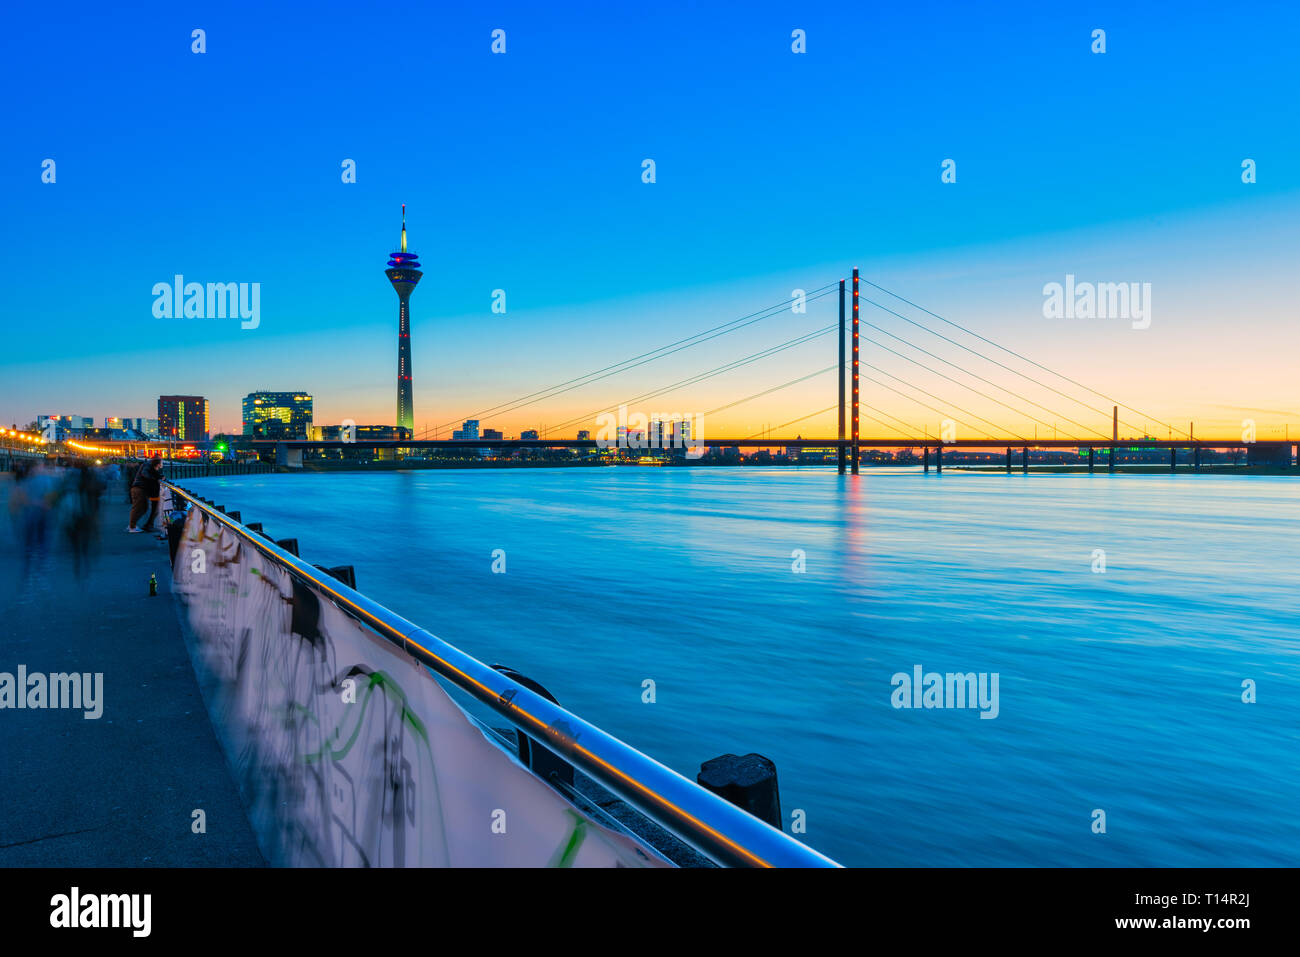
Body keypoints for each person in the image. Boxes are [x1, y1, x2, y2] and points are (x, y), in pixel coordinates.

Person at [128, 454, 163, 533]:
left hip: (141, 489)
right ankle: (132, 527)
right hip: (139, 489)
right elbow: (145, 474)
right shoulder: (147, 465)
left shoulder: (149, 466)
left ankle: (133, 525)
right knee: (137, 508)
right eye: (161, 460)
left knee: (143, 508)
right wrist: (155, 479)